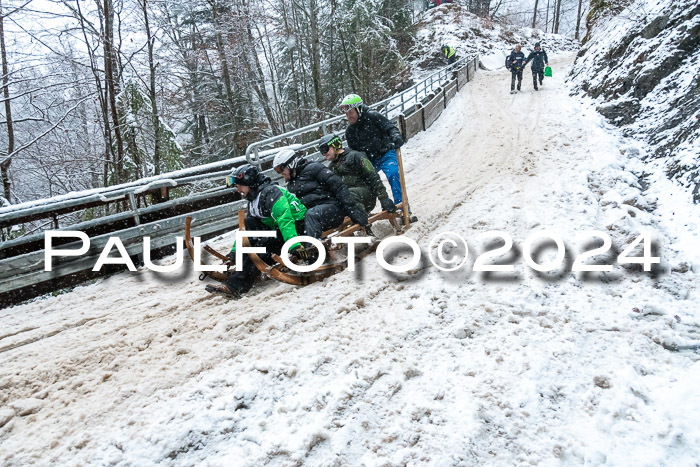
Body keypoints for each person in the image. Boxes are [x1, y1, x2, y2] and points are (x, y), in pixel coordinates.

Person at [205, 164, 308, 299]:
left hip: (297, 228)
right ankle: (242, 269)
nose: (238, 190)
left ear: (249, 183)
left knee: (261, 249)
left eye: (239, 186)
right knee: (249, 223)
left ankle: (236, 287)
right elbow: (246, 230)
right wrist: (234, 253)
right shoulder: (254, 198)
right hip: (278, 228)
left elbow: (285, 219)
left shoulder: (271, 193)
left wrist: (294, 245)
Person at [341, 93, 416, 222]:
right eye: (346, 113)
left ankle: (404, 210)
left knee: (393, 173)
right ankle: (370, 211)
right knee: (365, 182)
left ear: (358, 109)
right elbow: (354, 153)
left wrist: (396, 137)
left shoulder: (373, 117)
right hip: (369, 159)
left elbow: (390, 128)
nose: (348, 116)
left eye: (350, 112)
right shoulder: (350, 132)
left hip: (385, 152)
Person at [272, 148, 368, 239]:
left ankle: (313, 250)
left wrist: (353, 211)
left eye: (281, 169)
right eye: (277, 171)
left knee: (312, 214)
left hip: (333, 210)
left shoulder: (314, 168)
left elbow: (339, 187)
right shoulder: (291, 184)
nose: (280, 173)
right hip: (315, 217)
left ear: (290, 164)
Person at [318, 134, 396, 217]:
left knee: (348, 194)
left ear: (335, 145)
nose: (324, 153)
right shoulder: (331, 167)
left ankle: (362, 220)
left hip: (366, 195)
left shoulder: (356, 156)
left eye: (325, 149)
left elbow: (373, 177)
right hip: (348, 200)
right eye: (321, 151)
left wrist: (384, 198)